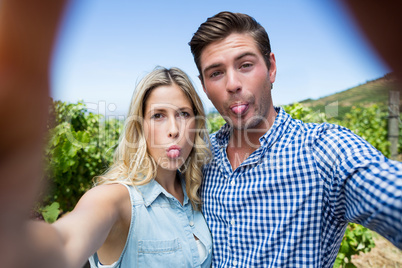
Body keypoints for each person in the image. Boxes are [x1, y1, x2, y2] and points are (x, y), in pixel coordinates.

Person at [189, 11, 402, 267]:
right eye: (216, 73)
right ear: (203, 86)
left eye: (245, 65)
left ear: (272, 68)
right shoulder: (200, 155)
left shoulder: (325, 151)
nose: (232, 84)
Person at [4, 66, 213, 268]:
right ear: (140, 128)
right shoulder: (116, 199)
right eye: (158, 115)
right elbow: (66, 240)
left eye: (184, 114)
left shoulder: (196, 192)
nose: (174, 130)